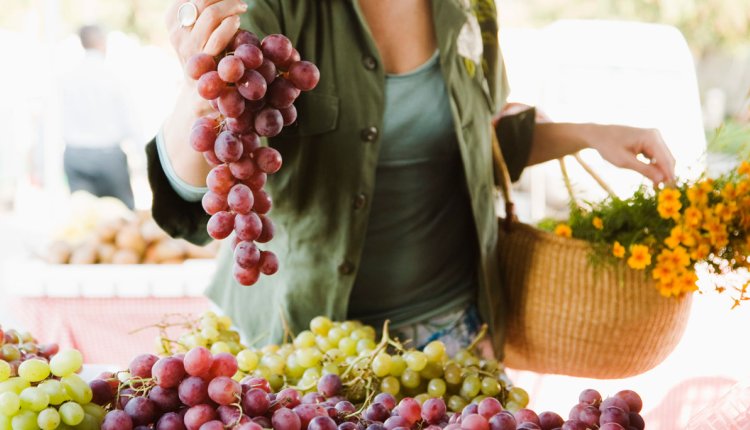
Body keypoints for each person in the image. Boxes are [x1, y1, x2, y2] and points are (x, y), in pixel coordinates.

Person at [147, 0, 676, 357]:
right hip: (299, 349)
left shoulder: (470, 8)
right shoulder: (276, 8)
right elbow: (196, 184)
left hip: (454, 335)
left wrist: (589, 133)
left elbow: (474, 138)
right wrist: (202, 85)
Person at [60, 25, 136, 209]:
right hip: (108, 156)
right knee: (123, 220)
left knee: (84, 220)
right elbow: (130, 120)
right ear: (102, 42)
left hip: (75, 155)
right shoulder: (113, 75)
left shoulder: (68, 76)